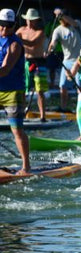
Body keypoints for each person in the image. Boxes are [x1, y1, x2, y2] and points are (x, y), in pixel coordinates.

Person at [0, 8, 30, 174]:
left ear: (14, 25)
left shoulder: (14, 44)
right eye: (1, 25)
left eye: (8, 26)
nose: (4, 29)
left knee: (17, 130)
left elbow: (5, 69)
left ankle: (26, 166)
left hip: (13, 91)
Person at [47, 10, 81, 112]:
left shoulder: (76, 24)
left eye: (63, 18)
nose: (62, 20)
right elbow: (53, 42)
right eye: (59, 19)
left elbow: (73, 22)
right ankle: (63, 107)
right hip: (67, 61)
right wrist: (50, 49)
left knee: (79, 87)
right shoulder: (57, 30)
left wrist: (61, 14)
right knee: (62, 86)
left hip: (79, 60)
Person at [16, 8, 48, 122]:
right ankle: (21, 113)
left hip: (39, 62)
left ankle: (42, 115)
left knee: (40, 90)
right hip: (26, 62)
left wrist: (19, 39)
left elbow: (33, 43)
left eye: (32, 20)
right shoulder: (21, 30)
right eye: (28, 20)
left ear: (36, 20)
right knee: (23, 89)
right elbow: (12, 39)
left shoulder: (40, 32)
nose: (30, 22)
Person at [44, 7, 63, 89]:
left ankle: (60, 84)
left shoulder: (63, 24)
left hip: (62, 50)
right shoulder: (50, 24)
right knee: (52, 68)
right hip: (52, 50)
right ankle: (52, 83)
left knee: (61, 68)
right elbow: (46, 34)